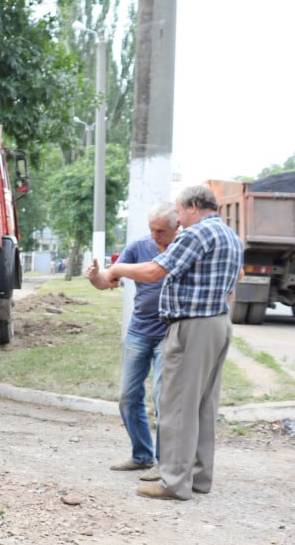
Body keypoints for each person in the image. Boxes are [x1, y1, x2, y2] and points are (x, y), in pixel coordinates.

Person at [97, 184, 243, 501]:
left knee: (177, 405)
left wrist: (117, 268)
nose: (178, 219)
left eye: (178, 211)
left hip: (192, 327)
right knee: (204, 405)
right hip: (218, 323)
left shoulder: (196, 234)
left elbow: (154, 270)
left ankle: (174, 482)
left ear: (192, 207)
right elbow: (235, 280)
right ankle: (200, 477)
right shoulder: (229, 234)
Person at [85, 203, 178, 475]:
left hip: (169, 333)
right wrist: (94, 277)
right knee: (128, 396)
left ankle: (164, 463)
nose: (155, 236)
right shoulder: (139, 247)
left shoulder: (183, 248)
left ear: (176, 227)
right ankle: (142, 455)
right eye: (151, 230)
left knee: (163, 399)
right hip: (139, 331)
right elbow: (107, 280)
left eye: (161, 230)